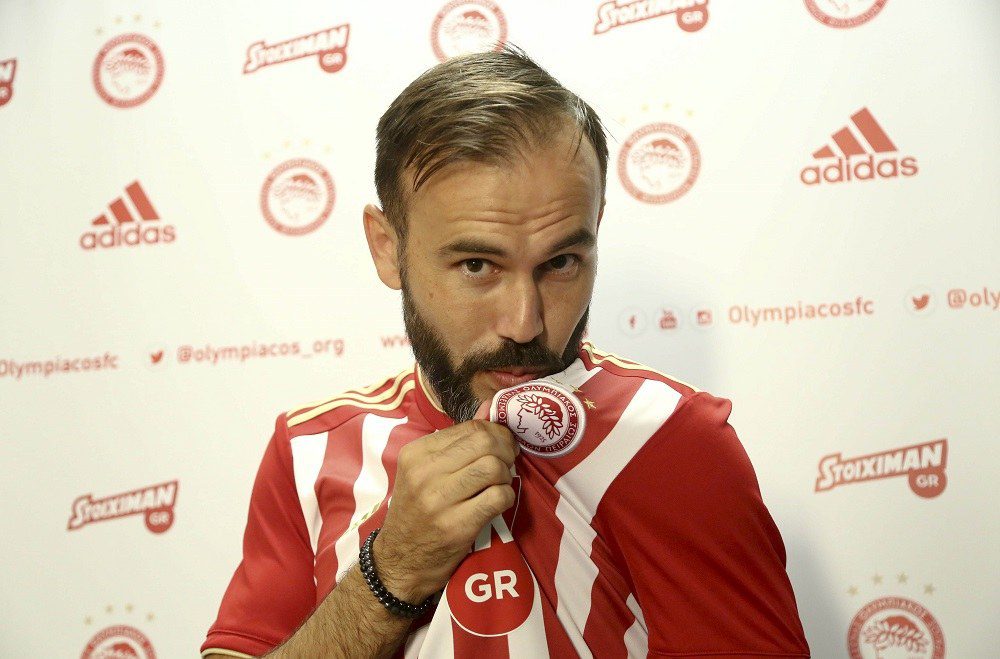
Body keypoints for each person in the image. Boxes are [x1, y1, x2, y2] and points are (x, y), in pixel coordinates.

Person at [202, 45, 810, 659]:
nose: (524, 324)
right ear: (387, 248)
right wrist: (392, 573)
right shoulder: (309, 451)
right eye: (477, 265)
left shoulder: (665, 437)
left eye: (561, 262)